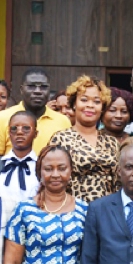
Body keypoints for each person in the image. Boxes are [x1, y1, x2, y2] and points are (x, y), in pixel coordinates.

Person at [48, 75, 121, 203]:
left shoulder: (112, 142)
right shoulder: (60, 139)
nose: (90, 105)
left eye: (97, 102)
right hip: (72, 212)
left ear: (102, 108)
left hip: (107, 213)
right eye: (84, 100)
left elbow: (118, 183)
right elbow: (52, 180)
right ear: (74, 104)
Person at [0, 68, 70, 157]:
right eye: (31, 86)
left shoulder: (63, 121)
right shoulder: (1, 118)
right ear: (21, 89)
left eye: (43, 87)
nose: (38, 91)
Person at [0, 110, 39, 201]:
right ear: (9, 133)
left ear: (35, 134)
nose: (19, 132)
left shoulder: (41, 167)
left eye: (26, 128)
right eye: (14, 128)